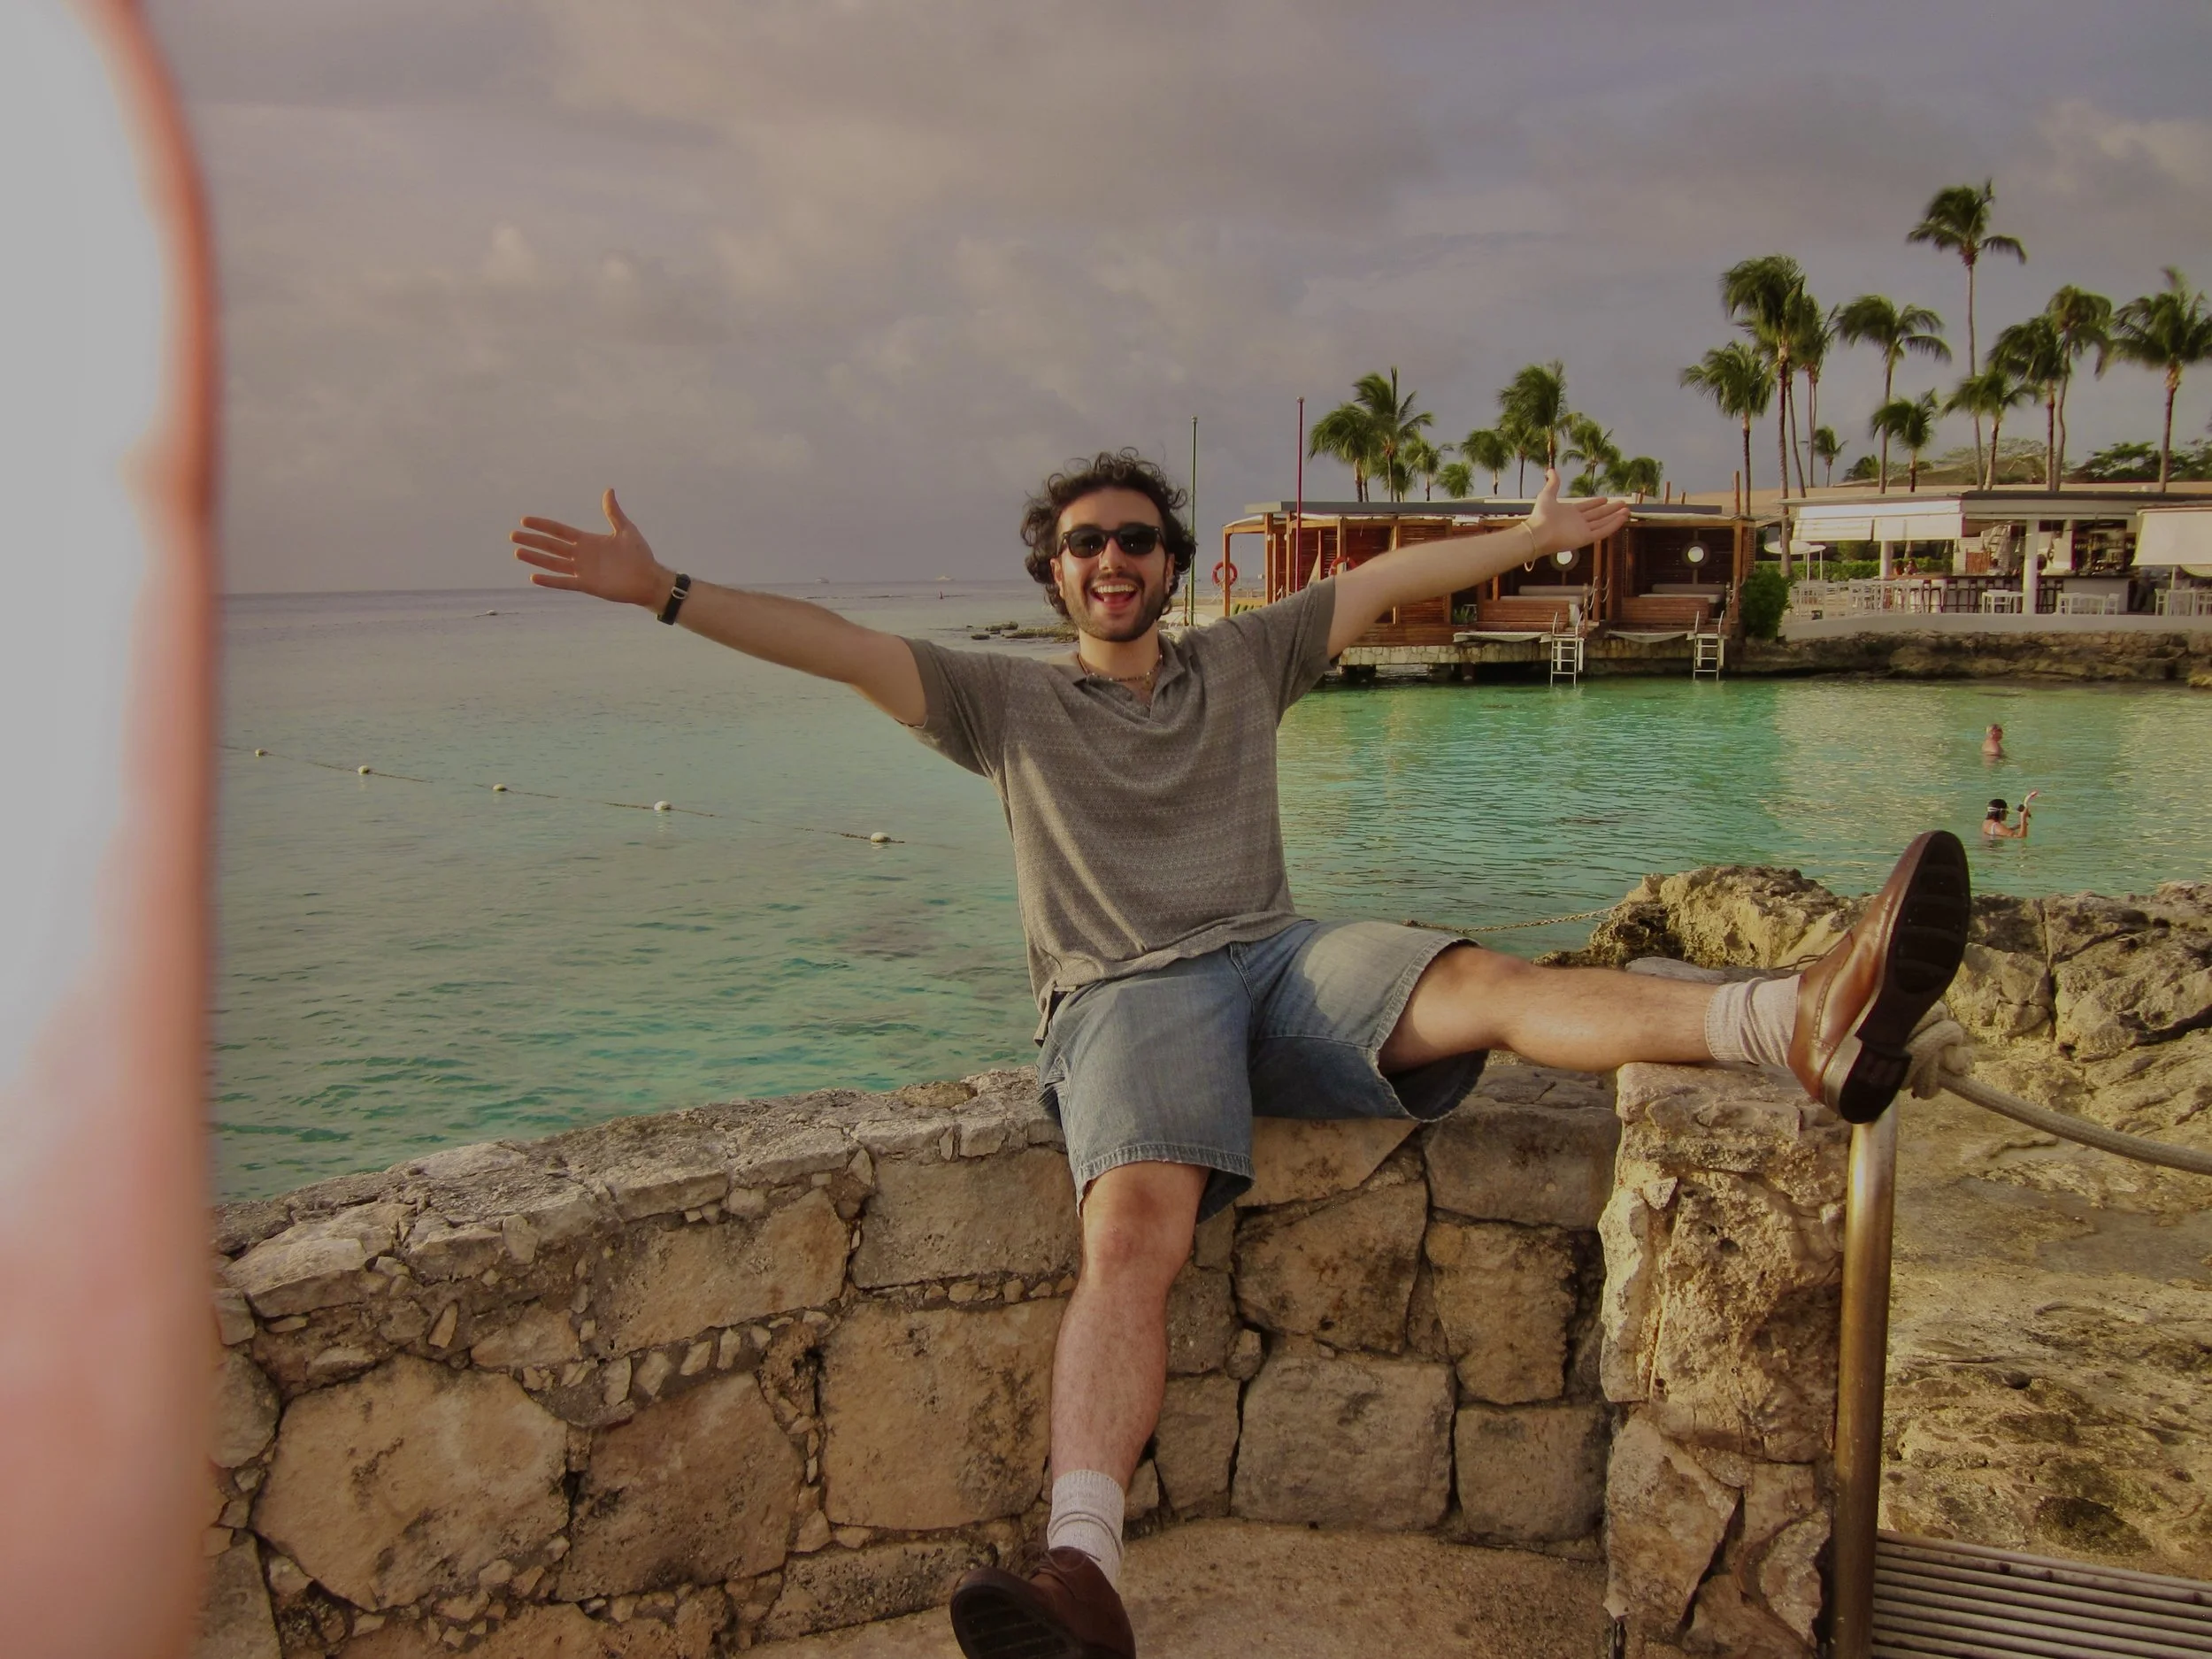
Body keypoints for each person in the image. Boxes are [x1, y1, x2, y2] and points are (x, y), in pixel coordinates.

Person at [511, 453, 1972, 1659]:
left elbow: (1383, 583)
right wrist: (665, 592)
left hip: (1276, 959)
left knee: (1487, 981)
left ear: (1173, 561)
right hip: (1122, 997)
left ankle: (1789, 1018)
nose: (1112, 562)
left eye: (1137, 541)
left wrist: (1527, 535)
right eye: (1085, 545)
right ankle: (1085, 1566)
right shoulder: (1002, 704)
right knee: (1132, 1235)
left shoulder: (1240, 661)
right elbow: (831, 642)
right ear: (1056, 571)